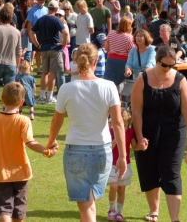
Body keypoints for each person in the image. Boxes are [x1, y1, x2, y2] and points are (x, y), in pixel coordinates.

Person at [46, 43, 127, 221]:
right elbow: (118, 122)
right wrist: (122, 154)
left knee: (87, 207)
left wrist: (51, 141)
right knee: (89, 204)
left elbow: (56, 121)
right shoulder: (109, 86)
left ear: (75, 60)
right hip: (102, 151)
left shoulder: (67, 88)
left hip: (75, 151)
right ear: (96, 61)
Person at [131, 46, 187, 222]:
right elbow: (136, 111)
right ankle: (154, 211)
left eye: (171, 65)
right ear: (157, 61)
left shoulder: (180, 79)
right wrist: (139, 136)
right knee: (149, 170)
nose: (168, 69)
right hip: (147, 132)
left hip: (174, 132)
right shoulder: (142, 78)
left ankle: (174, 218)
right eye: (164, 65)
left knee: (171, 171)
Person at [0, 82, 58, 222]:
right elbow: (30, 142)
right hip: (21, 172)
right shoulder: (23, 120)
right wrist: (47, 151)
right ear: (22, 102)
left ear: (2, 98)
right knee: (19, 210)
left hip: (0, 173)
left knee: (4, 208)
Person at [29, 0, 70, 104]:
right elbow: (65, 32)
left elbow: (32, 32)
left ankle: (42, 96)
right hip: (55, 48)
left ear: (48, 8)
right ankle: (50, 97)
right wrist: (64, 43)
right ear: (56, 9)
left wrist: (37, 44)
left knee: (44, 73)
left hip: (44, 48)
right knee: (53, 73)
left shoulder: (41, 19)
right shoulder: (56, 20)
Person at [107, 108, 139, 221]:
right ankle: (111, 209)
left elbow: (135, 146)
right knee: (114, 186)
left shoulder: (130, 132)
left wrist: (142, 145)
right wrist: (117, 138)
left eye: (125, 125)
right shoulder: (110, 131)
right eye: (121, 125)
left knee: (121, 190)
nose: (124, 128)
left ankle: (119, 212)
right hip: (112, 164)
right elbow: (109, 147)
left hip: (125, 165)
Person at [0, 5, 22, 94]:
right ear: (11, 18)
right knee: (10, 92)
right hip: (11, 63)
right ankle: (7, 108)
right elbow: (19, 52)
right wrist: (17, 66)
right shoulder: (17, 32)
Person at [105, 17, 135, 87]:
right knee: (121, 84)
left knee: (109, 82)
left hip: (110, 60)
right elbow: (131, 53)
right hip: (123, 62)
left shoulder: (111, 33)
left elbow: (106, 48)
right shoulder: (129, 37)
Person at [26, 0, 48, 76]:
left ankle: (45, 68)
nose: (41, 1)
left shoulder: (46, 10)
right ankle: (39, 69)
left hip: (45, 32)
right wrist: (30, 35)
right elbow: (29, 24)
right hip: (36, 32)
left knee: (45, 51)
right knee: (38, 52)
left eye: (43, 0)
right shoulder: (32, 10)